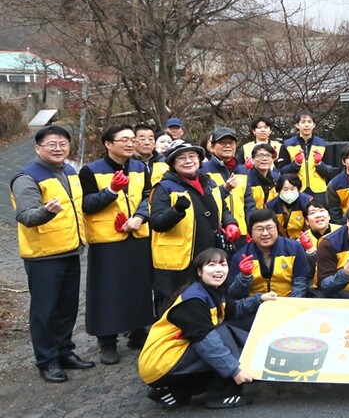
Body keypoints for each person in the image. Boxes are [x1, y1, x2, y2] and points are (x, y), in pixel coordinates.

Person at [138, 248, 276, 409]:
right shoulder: (193, 301)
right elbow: (207, 343)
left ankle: (174, 392)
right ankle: (222, 394)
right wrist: (235, 371)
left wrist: (260, 299)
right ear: (199, 271)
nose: (218, 269)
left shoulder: (212, 291)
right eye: (211, 265)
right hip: (161, 363)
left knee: (221, 339)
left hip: (169, 360)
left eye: (223, 265)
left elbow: (235, 310)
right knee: (223, 336)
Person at [12, 125, 96, 383]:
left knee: (67, 307)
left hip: (70, 249)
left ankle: (64, 352)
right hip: (43, 255)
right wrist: (46, 212)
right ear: (38, 148)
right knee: (45, 311)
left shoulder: (69, 171)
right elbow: (26, 216)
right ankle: (47, 361)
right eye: (52, 144)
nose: (59, 148)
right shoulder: (27, 177)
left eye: (63, 144)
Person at [79, 124, 155, 365]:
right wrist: (111, 191)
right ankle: (107, 340)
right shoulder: (91, 171)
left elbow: (148, 196)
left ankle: (137, 331)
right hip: (107, 241)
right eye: (124, 140)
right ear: (108, 144)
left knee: (139, 286)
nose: (131, 144)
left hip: (137, 234)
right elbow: (86, 204)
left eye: (132, 139)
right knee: (107, 290)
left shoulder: (140, 167)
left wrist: (140, 217)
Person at [149, 140, 241, 316]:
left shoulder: (209, 183)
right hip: (178, 264)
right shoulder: (164, 187)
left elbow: (223, 209)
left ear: (199, 160)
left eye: (192, 156)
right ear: (173, 163)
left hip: (207, 257)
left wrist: (230, 223)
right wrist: (176, 211)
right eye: (181, 158)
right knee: (175, 308)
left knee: (208, 304)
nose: (188, 161)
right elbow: (157, 223)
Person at [227, 208, 312, 307]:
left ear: (277, 228)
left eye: (269, 228)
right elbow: (233, 295)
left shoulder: (294, 248)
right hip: (255, 308)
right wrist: (244, 277)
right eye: (259, 229)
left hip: (288, 305)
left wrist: (290, 305)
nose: (265, 233)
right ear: (250, 232)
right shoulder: (241, 256)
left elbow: (301, 281)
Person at [201, 128, 252, 236]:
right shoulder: (203, 170)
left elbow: (249, 204)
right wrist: (224, 189)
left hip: (240, 232)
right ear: (212, 147)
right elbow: (204, 200)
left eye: (231, 143)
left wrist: (251, 229)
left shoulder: (243, 170)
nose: (228, 146)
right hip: (215, 232)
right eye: (223, 143)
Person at [278, 111, 334, 203]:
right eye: (303, 122)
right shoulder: (287, 144)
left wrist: (319, 164)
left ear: (314, 125)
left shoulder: (322, 144)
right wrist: (296, 164)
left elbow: (330, 171)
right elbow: (281, 171)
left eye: (309, 122)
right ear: (297, 125)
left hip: (319, 191)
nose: (306, 125)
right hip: (296, 189)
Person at [266, 174, 312, 240]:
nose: (289, 192)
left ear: (298, 189)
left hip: (304, 239)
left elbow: (311, 226)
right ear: (279, 190)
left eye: (292, 189)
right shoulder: (271, 206)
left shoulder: (307, 202)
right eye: (285, 189)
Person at [244, 142, 280, 216]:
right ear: (252, 160)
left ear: (272, 160)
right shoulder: (246, 179)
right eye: (260, 155)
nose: (264, 159)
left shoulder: (277, 178)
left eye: (268, 155)